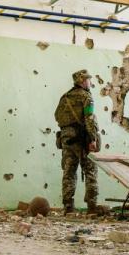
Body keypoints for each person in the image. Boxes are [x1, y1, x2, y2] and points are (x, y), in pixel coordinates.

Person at [54, 69, 101, 214]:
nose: (90, 82)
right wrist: (92, 139)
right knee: (90, 170)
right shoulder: (86, 97)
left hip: (66, 139)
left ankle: (68, 207)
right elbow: (89, 119)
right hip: (82, 139)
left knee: (69, 172)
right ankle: (92, 207)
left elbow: (57, 116)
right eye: (88, 80)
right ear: (82, 81)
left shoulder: (65, 97)